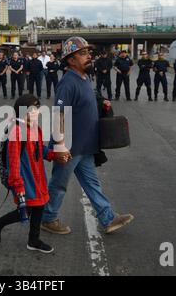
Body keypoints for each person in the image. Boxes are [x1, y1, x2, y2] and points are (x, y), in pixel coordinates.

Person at [41, 36, 134, 235]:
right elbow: (59, 116)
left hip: (85, 147)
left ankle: (108, 218)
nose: (88, 56)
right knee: (59, 185)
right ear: (70, 60)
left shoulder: (85, 78)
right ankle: (48, 219)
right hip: (70, 147)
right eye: (82, 53)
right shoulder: (68, 83)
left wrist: (103, 104)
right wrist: (60, 145)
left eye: (88, 52)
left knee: (92, 184)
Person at [0, 94, 69, 254]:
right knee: (26, 210)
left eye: (37, 109)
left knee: (39, 207)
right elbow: (13, 162)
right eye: (33, 110)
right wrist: (18, 185)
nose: (37, 112)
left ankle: (34, 240)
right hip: (25, 179)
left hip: (37, 176)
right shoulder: (16, 132)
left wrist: (55, 155)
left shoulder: (34, 129)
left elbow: (41, 150)